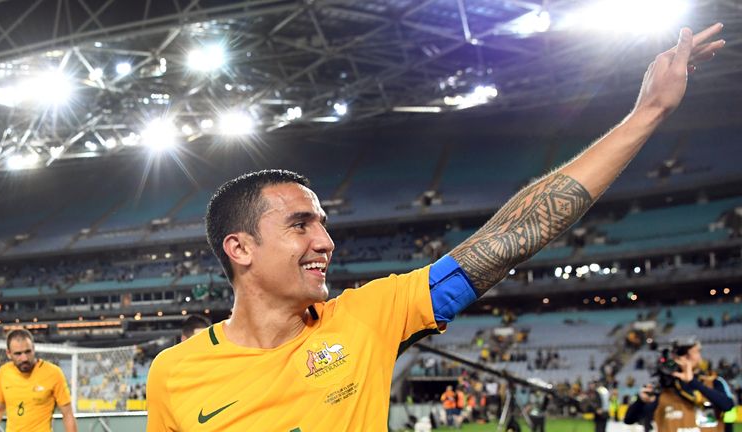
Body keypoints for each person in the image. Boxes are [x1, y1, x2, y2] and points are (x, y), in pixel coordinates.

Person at [146, 24, 726, 431]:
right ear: (239, 248)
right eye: (300, 225)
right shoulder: (174, 375)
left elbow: (508, 240)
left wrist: (647, 113)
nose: (324, 241)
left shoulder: (368, 319)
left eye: (323, 224)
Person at [624, 336, 735, 432]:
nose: (698, 357)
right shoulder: (663, 388)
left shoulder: (714, 382)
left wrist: (693, 382)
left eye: (698, 352)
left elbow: (728, 405)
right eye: (696, 352)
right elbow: (629, 419)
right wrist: (640, 401)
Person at [0, 329, 77, 432]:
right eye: (18, 354)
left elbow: (67, 413)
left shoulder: (53, 373)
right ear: (8, 353)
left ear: (34, 349)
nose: (24, 358)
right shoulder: (4, 372)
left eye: (28, 351)